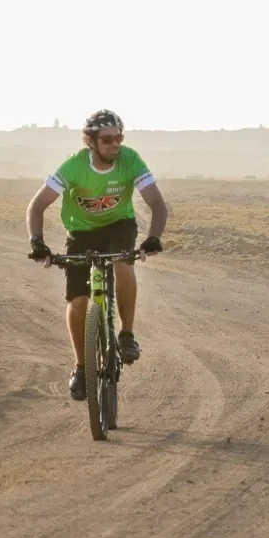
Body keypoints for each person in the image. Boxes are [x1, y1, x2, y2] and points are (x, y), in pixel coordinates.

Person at [25, 109, 168, 400]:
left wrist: (153, 238)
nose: (115, 144)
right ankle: (81, 367)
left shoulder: (130, 159)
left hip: (119, 226)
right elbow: (37, 206)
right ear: (90, 142)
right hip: (81, 232)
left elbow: (157, 203)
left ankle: (126, 335)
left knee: (122, 264)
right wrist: (37, 242)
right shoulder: (74, 166)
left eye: (119, 137)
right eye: (107, 140)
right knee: (78, 301)